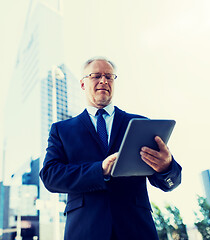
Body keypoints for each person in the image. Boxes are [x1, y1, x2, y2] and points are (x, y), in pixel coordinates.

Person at [39, 57, 182, 240]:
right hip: (85, 231)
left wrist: (166, 167)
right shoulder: (62, 130)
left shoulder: (140, 124)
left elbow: (171, 181)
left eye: (109, 76)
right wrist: (99, 170)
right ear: (83, 84)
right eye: (96, 76)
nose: (104, 81)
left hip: (136, 229)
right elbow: (50, 176)